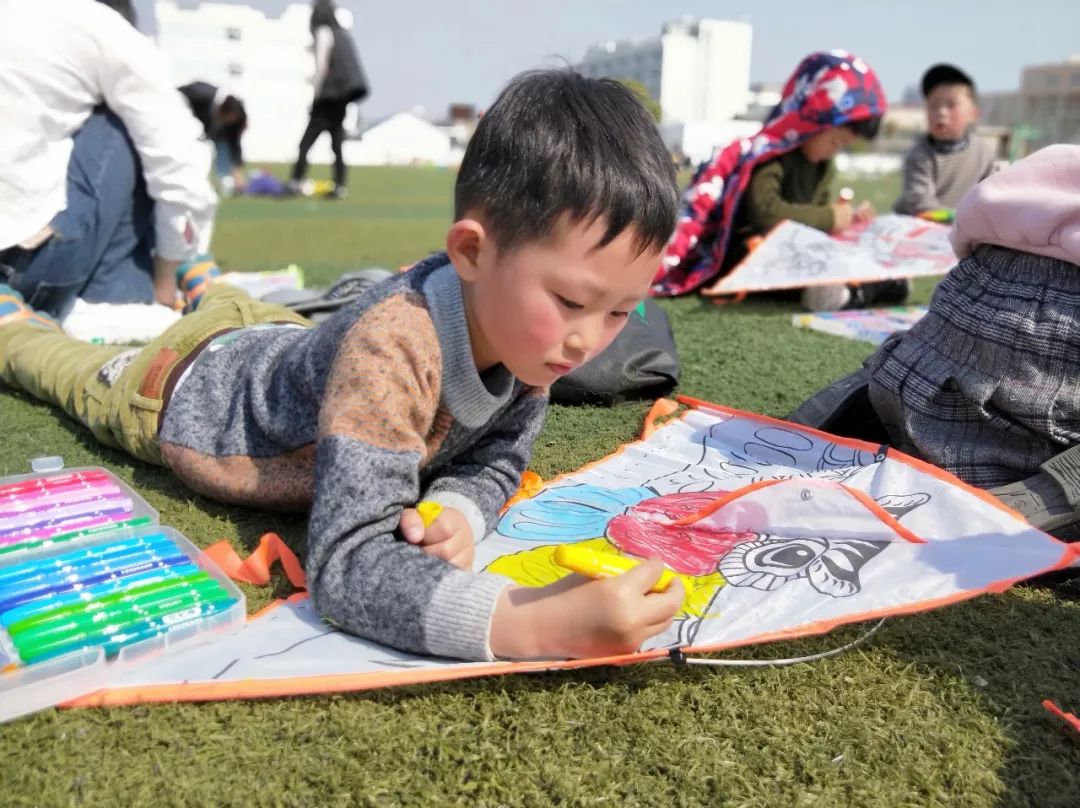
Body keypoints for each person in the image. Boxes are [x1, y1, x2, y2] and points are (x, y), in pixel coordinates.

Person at [0, 69, 685, 662]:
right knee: (58, 364)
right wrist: (527, 621)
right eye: (571, 301)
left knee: (251, 315)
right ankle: (18, 323)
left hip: (275, 335)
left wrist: (456, 509)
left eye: (622, 312)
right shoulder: (393, 349)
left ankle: (210, 284)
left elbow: (497, 459)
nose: (587, 342)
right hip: (183, 389)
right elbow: (347, 565)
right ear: (471, 252)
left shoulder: (529, 343)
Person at [790, 145, 1080, 538]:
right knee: (1022, 409)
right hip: (1059, 330)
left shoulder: (1054, 158)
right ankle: (1054, 487)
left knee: (939, 362)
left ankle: (884, 384)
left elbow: (965, 233)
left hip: (972, 287)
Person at [0, 0, 218, 320]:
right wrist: (166, 283)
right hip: (27, 268)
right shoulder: (103, 27)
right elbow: (178, 165)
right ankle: (120, 297)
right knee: (127, 124)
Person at [653, 50, 897, 311]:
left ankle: (867, 286)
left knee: (839, 252)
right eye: (834, 141)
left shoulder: (823, 168)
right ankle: (842, 290)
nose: (833, 150)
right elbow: (765, 213)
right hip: (751, 248)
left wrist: (849, 219)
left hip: (797, 247)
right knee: (762, 253)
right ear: (811, 123)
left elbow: (816, 219)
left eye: (842, 146)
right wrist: (830, 216)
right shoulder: (771, 156)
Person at [289, 0, 370, 199]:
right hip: (341, 99)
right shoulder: (342, 34)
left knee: (306, 143)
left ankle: (296, 182)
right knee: (336, 144)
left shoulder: (324, 33)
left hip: (327, 99)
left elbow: (321, 68)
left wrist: (315, 97)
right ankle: (340, 186)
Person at [893, 64, 996, 217]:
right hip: (919, 224)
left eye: (951, 105)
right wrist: (962, 218)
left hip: (963, 226)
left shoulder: (983, 151)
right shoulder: (920, 154)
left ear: (973, 113)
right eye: (933, 106)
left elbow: (993, 194)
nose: (941, 112)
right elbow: (920, 204)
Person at [179, 82, 249, 196]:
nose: (229, 123)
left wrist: (238, 172)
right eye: (228, 119)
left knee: (222, 148)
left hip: (209, 135)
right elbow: (176, 97)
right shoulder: (200, 93)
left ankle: (226, 183)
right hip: (185, 129)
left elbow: (235, 145)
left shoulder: (234, 121)